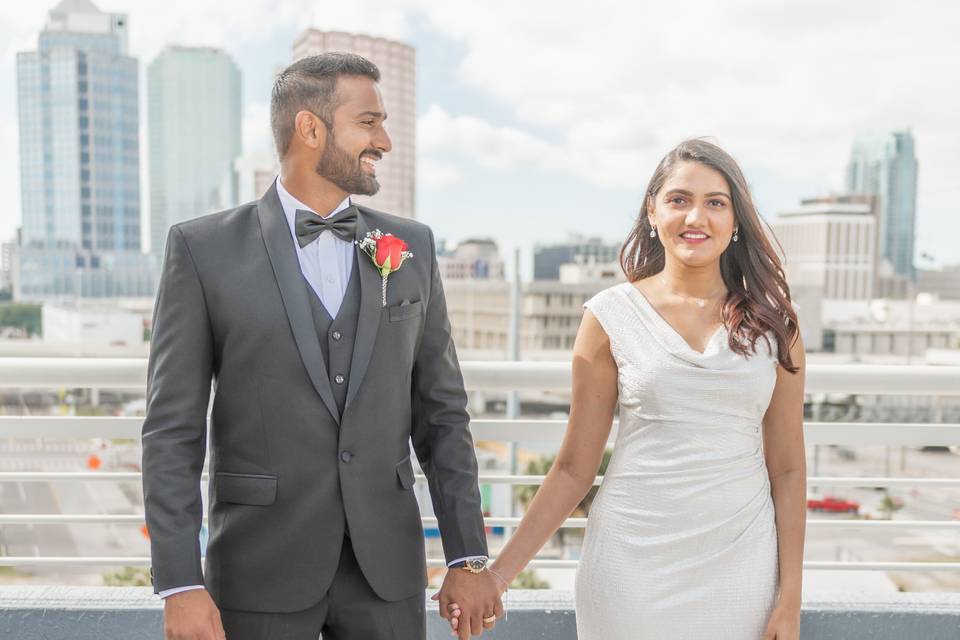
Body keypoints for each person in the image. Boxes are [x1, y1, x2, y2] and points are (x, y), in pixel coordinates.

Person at [142, 52, 501, 640]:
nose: (384, 140)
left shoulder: (410, 247)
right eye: (368, 122)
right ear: (310, 128)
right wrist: (179, 583)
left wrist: (466, 556)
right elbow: (171, 432)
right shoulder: (201, 250)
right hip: (257, 570)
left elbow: (442, 416)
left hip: (386, 572)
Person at [444, 139, 806, 639]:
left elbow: (787, 468)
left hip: (740, 566)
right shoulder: (610, 316)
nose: (695, 216)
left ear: (736, 219)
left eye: (715, 202)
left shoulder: (774, 326)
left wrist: (790, 601)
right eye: (679, 200)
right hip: (631, 566)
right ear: (652, 212)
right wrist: (497, 576)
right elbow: (574, 468)